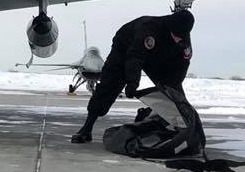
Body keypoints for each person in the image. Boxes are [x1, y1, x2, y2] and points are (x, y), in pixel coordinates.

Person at [71, 9, 195, 143]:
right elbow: (135, 57)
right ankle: (86, 128)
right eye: (175, 35)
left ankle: (171, 125)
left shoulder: (183, 39)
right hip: (125, 48)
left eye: (181, 37)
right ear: (170, 28)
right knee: (109, 86)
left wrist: (173, 86)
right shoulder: (150, 29)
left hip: (156, 55)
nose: (178, 39)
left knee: (173, 91)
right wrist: (132, 82)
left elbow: (182, 66)